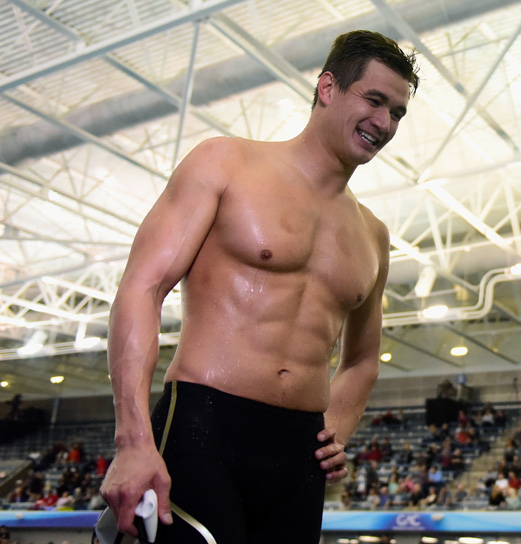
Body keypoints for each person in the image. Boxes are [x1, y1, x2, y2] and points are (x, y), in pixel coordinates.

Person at [98, 30, 419, 544]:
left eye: (398, 113)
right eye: (374, 100)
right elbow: (142, 287)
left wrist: (339, 424)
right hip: (204, 427)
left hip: (300, 455)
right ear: (328, 87)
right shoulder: (226, 163)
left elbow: (361, 359)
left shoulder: (373, 235)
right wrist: (134, 438)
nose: (384, 123)